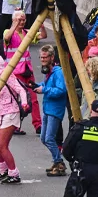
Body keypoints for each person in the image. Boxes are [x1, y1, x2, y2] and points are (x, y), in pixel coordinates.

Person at [0, 54, 29, 183]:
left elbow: (21, 90)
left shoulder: (7, 76)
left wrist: (24, 103)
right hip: (1, 113)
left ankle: (14, 173)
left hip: (11, 113)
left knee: (2, 145)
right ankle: (3, 169)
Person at [38, 45, 69, 176]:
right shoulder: (48, 72)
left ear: (52, 57)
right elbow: (47, 85)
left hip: (55, 110)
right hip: (47, 109)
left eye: (45, 57)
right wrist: (37, 86)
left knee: (49, 138)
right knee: (43, 138)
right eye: (41, 57)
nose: (42, 60)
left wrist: (44, 90)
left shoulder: (58, 73)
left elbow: (61, 90)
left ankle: (59, 162)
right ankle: (57, 161)